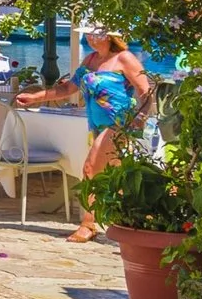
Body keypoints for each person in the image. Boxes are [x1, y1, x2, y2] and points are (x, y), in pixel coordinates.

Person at [16, 28, 153, 242]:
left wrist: (140, 117)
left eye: (94, 34)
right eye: (88, 34)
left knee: (90, 168)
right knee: (114, 173)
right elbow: (68, 88)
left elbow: (146, 91)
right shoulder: (90, 60)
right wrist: (35, 98)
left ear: (109, 36)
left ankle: (88, 223)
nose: (90, 38)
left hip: (119, 123)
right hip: (96, 124)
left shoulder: (124, 59)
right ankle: (132, 221)